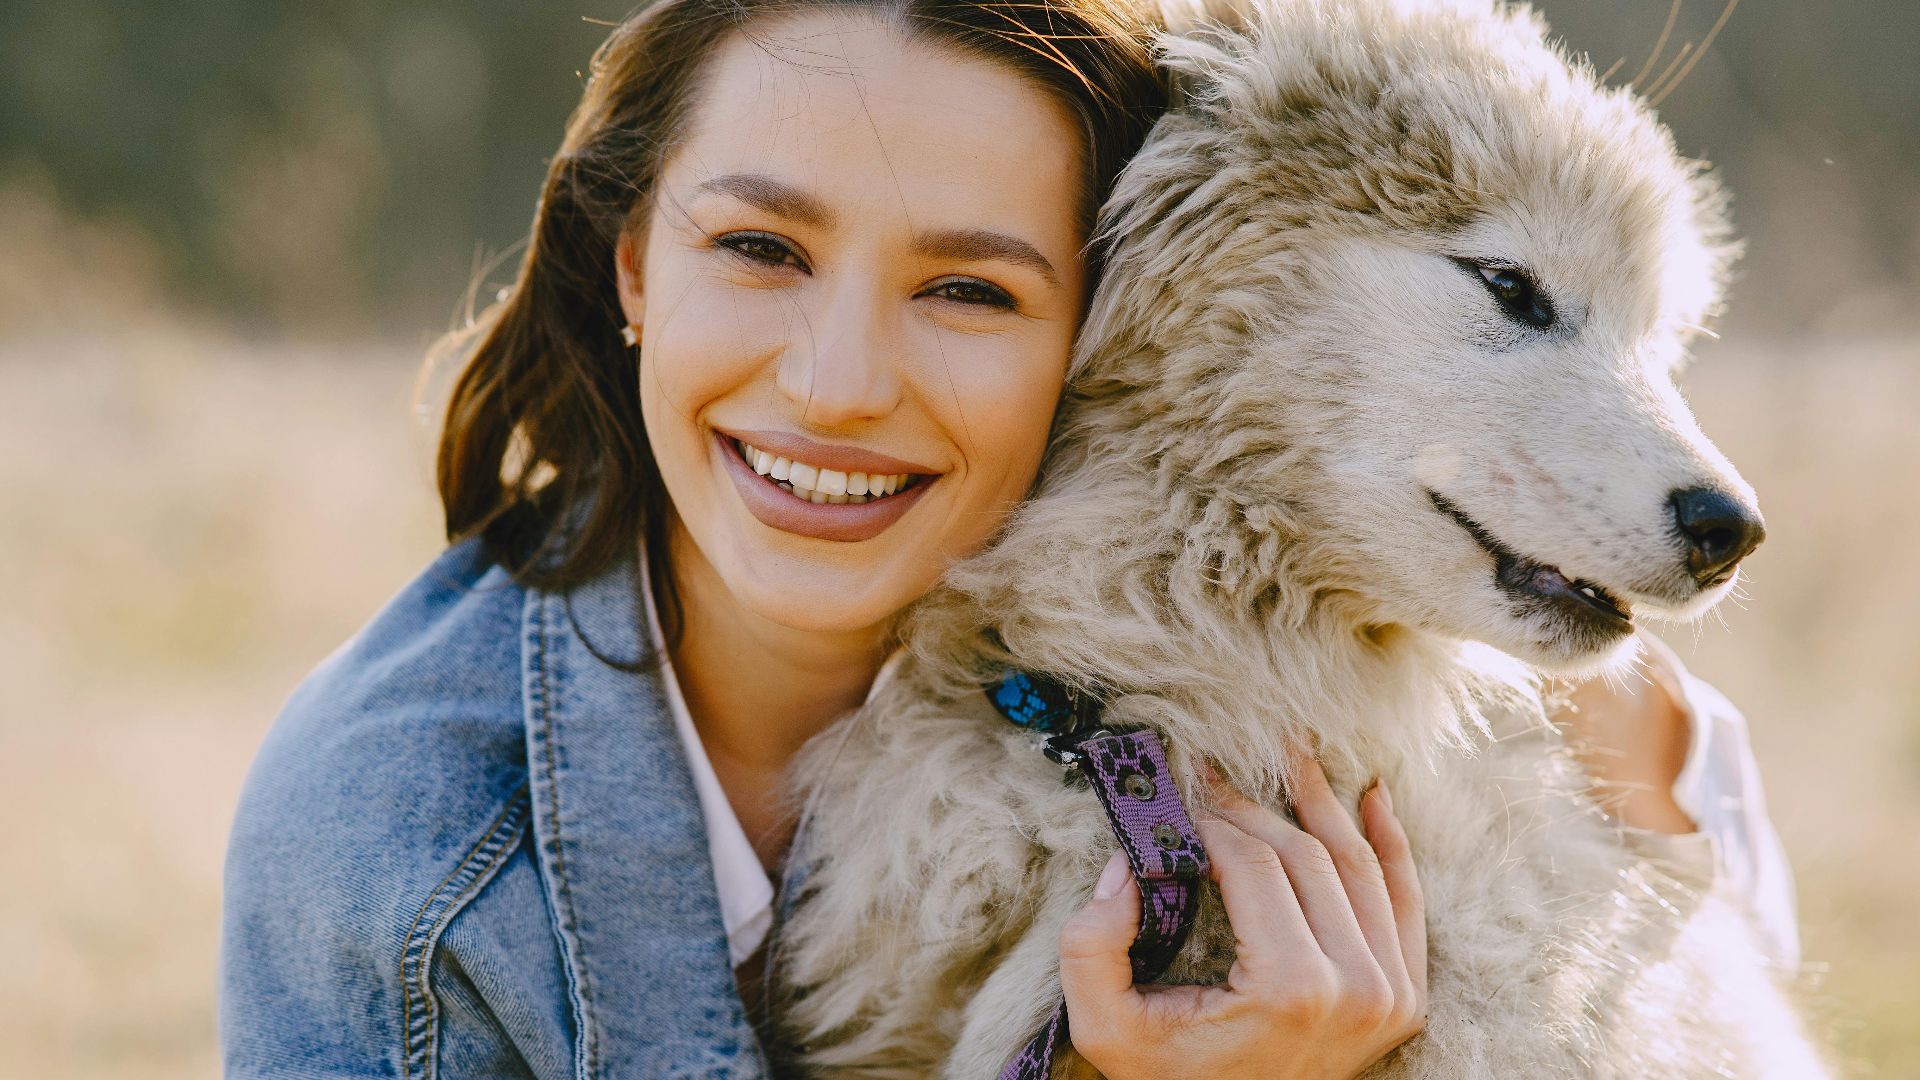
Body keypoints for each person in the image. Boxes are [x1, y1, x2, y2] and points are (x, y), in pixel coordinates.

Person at [217, 0, 1799, 1076]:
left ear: (1116, 308)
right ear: (634, 263)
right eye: (760, 248)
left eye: (971, 288)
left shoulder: (1559, 732)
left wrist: (1656, 835)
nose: (837, 388)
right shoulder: (403, 843)